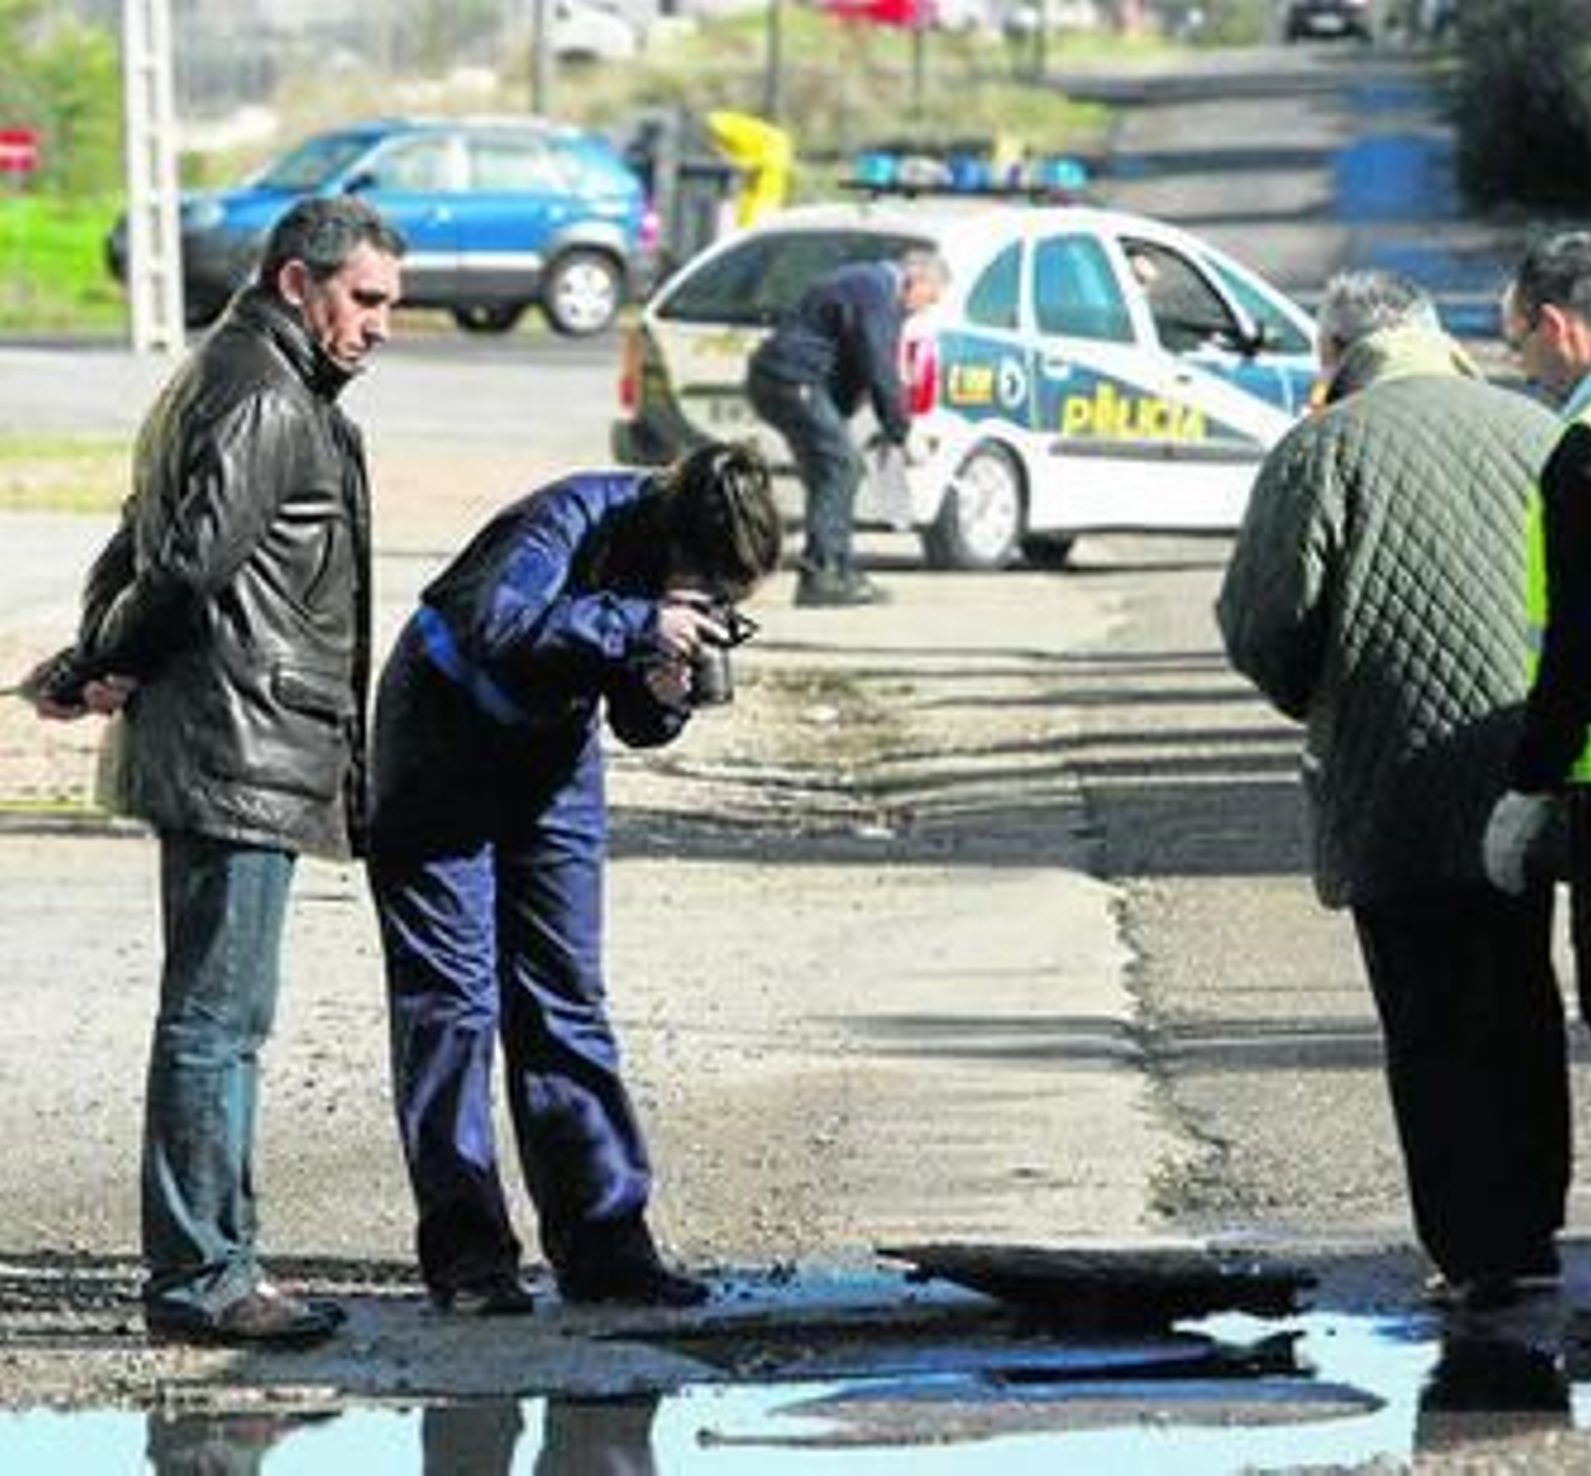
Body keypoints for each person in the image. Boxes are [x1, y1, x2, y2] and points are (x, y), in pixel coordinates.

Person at [18, 197, 405, 1346]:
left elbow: (136, 546)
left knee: (221, 1017)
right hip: (240, 747)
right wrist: (97, 661)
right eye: (365, 298)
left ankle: (218, 1264)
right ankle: (204, 1278)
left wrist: (93, 659)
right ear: (297, 283)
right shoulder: (263, 397)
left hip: (232, 740)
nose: (382, 324)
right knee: (216, 1023)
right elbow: (182, 568)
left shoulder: (232, 377)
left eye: (390, 302)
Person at [1216, 268, 1569, 1310]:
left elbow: (1263, 625)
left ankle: (1470, 1248)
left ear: (1336, 351)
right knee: (1518, 992)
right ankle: (1530, 1228)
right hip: (1523, 768)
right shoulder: (1535, 431)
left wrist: (1321, 698)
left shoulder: (1319, 450)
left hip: (1388, 783)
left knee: (1425, 1013)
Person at [367, 441, 782, 1314]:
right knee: (452, 1006)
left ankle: (606, 1247)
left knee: (565, 995)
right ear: (676, 543)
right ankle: (469, 1259)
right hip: (438, 731)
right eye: (707, 591)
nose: (708, 607)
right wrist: (638, 624)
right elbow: (497, 624)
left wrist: (663, 690)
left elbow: (634, 721)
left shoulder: (663, 580)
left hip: (550, 749)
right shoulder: (565, 517)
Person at [1484, 232, 1591, 1045]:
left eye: (1518, 342)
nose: (1521, 366)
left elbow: (1581, 638)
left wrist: (1529, 782)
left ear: (1558, 326)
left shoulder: (1584, 450)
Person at [746, 250, 948, 607]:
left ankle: (838, 569)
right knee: (841, 468)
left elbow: (856, 363)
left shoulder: (870, 284)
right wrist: (903, 432)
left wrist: (885, 425)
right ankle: (822, 576)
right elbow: (878, 365)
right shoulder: (878, 291)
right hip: (792, 379)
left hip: (788, 378)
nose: (924, 309)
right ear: (917, 282)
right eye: (929, 299)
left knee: (834, 472)